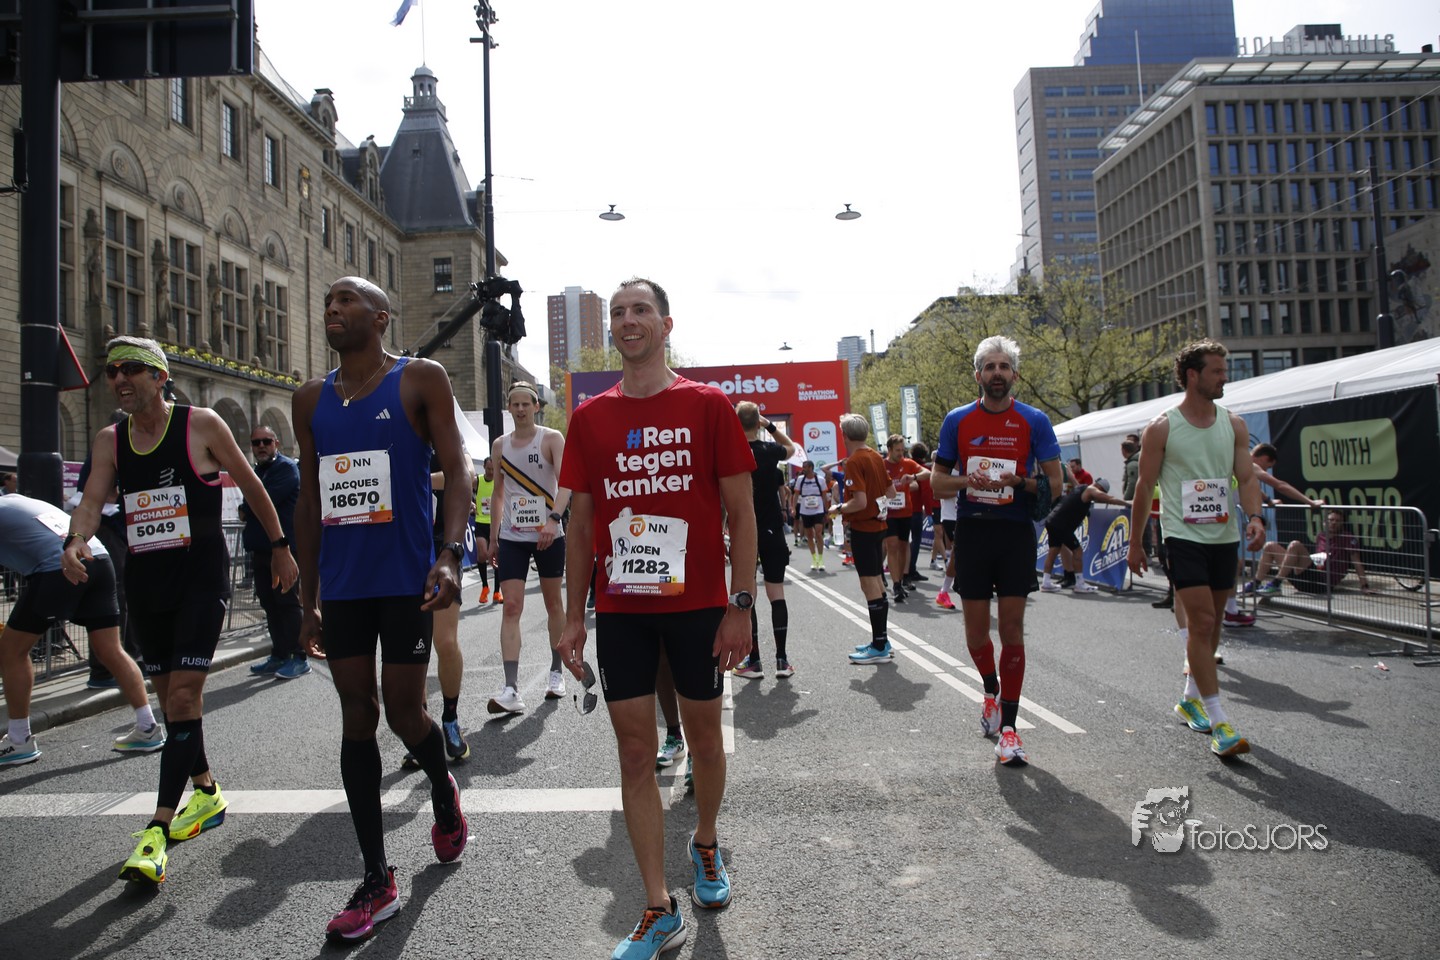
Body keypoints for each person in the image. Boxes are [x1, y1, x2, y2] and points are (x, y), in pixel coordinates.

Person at [556, 277, 756, 960]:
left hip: (698, 606)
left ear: (666, 325)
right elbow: (581, 525)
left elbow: (741, 513)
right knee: (636, 753)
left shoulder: (707, 405)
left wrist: (739, 605)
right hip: (622, 610)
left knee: (705, 743)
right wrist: (572, 616)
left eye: (640, 309)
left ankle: (705, 842)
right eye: (617, 312)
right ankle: (657, 906)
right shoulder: (590, 418)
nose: (627, 320)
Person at [61, 335, 298, 885]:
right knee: (173, 704)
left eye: (131, 369)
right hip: (146, 587)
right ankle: (208, 792)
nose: (119, 379)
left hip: (200, 581)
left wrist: (281, 547)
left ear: (160, 377)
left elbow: (252, 486)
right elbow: (92, 501)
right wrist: (75, 541)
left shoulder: (201, 425)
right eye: (112, 370)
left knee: (186, 696)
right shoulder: (110, 440)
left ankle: (157, 832)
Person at [292, 277, 473, 942]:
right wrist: (307, 599)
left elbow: (458, 469)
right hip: (343, 587)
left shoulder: (419, 379)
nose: (333, 308)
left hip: (405, 580)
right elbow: (309, 498)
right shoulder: (309, 399)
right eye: (328, 301)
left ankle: (442, 789)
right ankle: (376, 877)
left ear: (380, 317)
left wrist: (450, 553)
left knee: (403, 712)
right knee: (357, 714)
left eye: (347, 300)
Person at [1127, 339, 1265, 759]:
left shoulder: (1234, 425)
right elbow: (1144, 487)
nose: (1225, 378)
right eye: (1217, 371)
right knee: (1202, 621)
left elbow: (1246, 478)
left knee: (1213, 624)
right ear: (1193, 375)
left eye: (1225, 370)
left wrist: (1255, 517)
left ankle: (1190, 698)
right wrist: (1135, 543)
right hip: (1182, 537)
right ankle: (1220, 722)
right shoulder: (1162, 428)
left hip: (1224, 537)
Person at [931, 335, 1062, 767]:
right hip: (973, 531)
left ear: (1015, 375)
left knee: (1011, 631)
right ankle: (990, 689)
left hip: (1015, 533)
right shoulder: (957, 420)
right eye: (990, 366)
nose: (997, 373)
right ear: (978, 375)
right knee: (975, 634)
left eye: (1004, 366)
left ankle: (1009, 728)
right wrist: (968, 481)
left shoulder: (1034, 421)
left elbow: (1056, 484)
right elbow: (937, 482)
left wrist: (1019, 483)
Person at [1, 492, 163, 766]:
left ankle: (19, 739)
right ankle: (148, 726)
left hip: (60, 566)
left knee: (11, 651)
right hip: (98, 558)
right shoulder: (14, 501)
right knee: (110, 649)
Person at [488, 381, 570, 713]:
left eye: (526, 404)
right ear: (508, 408)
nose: (520, 409)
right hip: (512, 537)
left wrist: (553, 519)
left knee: (553, 605)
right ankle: (511, 688)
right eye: (515, 404)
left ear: (536, 406)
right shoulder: (500, 445)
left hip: (549, 535)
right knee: (511, 607)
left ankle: (556, 672)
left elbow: (566, 483)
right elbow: (498, 493)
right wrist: (494, 536)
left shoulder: (551, 439)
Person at [733, 402, 796, 680]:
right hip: (772, 529)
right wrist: (770, 425)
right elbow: (791, 448)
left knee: (748, 596)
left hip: (744, 531)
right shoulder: (770, 451)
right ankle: (782, 660)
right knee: (776, 592)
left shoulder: (732, 450)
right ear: (757, 422)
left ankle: (754, 660)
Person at [830, 416, 896, 664]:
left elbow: (859, 502)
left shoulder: (855, 460)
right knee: (877, 582)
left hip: (864, 527)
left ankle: (879, 646)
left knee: (869, 584)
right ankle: (882, 640)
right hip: (878, 525)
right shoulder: (876, 456)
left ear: (844, 435)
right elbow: (891, 492)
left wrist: (837, 508)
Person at [242, 426, 307, 680]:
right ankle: (279, 654)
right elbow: (249, 504)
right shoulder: (257, 471)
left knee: (287, 602)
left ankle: (299, 656)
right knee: (269, 603)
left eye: (266, 441)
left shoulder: (286, 468)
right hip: (260, 550)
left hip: (283, 551)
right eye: (256, 442)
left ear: (276, 443)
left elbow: (261, 502)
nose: (261, 446)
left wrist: (248, 507)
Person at [1243, 509, 1373, 597]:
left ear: (1342, 523)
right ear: (1324, 522)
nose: (1333, 523)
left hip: (1322, 583)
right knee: (1270, 546)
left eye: (1337, 521)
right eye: (1331, 520)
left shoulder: (1347, 538)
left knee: (1295, 545)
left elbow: (1357, 562)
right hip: (1305, 577)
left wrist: (1364, 585)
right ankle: (1255, 584)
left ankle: (1276, 584)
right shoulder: (1321, 536)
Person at [1039, 478, 1131, 593]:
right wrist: (1128, 503)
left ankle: (1046, 583)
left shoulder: (1080, 488)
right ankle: (1080, 584)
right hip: (1061, 525)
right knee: (1077, 551)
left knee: (1053, 552)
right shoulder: (1091, 490)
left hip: (1052, 521)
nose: (1100, 495)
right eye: (1102, 492)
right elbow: (1109, 499)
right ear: (1100, 488)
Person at [881, 435, 927, 603]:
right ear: (889, 450)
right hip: (888, 513)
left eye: (902, 450)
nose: (901, 453)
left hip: (905, 512)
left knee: (902, 547)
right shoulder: (881, 465)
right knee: (892, 546)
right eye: (897, 450)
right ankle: (895, 585)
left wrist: (913, 478)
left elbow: (927, 473)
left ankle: (900, 581)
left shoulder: (907, 463)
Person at [790, 460, 830, 572]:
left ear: (811, 468)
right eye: (803, 467)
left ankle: (821, 559)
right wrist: (793, 508)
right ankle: (814, 558)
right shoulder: (800, 479)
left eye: (806, 467)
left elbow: (824, 496)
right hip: (805, 509)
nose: (804, 469)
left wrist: (827, 511)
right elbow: (796, 494)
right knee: (809, 535)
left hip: (818, 509)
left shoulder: (820, 480)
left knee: (818, 532)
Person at [473, 456, 496, 604]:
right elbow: (462, 488)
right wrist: (471, 503)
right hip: (481, 522)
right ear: (484, 467)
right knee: (482, 555)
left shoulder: (499, 481)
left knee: (495, 557)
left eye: (493, 469)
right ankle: (485, 587)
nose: (491, 472)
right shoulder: (478, 480)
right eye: (488, 469)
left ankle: (497, 591)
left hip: (495, 523)